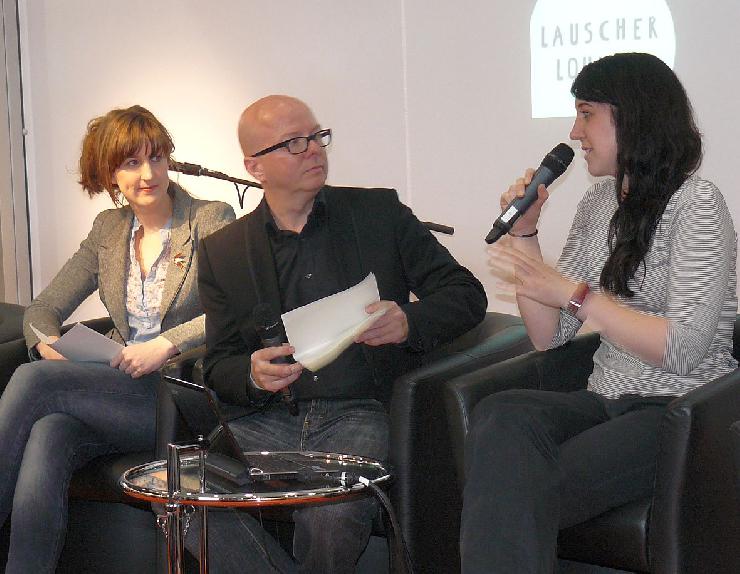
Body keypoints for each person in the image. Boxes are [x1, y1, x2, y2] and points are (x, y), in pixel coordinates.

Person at [460, 52, 738, 573]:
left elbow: (684, 348)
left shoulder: (697, 203)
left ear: (633, 116)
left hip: (677, 409)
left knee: (516, 488)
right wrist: (524, 235)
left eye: (587, 113)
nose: (574, 130)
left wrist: (579, 295)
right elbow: (549, 335)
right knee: (502, 413)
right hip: (604, 397)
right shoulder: (598, 205)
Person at [193, 94, 487, 573]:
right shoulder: (223, 250)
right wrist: (250, 373)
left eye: (317, 136)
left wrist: (408, 322)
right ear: (255, 167)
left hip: (356, 411)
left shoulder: (377, 214)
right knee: (181, 496)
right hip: (266, 419)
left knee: (331, 515)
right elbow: (218, 363)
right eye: (294, 143)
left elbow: (466, 294)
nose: (314, 149)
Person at [0, 105, 235, 573]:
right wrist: (46, 342)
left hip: (179, 397)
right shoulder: (108, 231)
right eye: (131, 162)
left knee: (33, 382)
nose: (148, 173)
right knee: (50, 432)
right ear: (109, 172)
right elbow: (44, 309)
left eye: (157, 158)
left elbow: (234, 312)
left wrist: (165, 344)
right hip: (117, 391)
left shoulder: (209, 219)